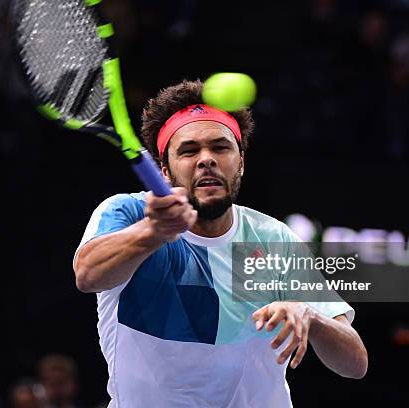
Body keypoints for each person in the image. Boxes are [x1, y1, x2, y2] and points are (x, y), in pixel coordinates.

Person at [73, 80, 367, 407]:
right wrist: (152, 233)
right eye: (189, 150)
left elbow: (355, 364)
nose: (206, 159)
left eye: (220, 147)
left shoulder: (272, 239)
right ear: (164, 169)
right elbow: (88, 275)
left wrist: (309, 315)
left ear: (240, 161)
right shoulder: (128, 213)